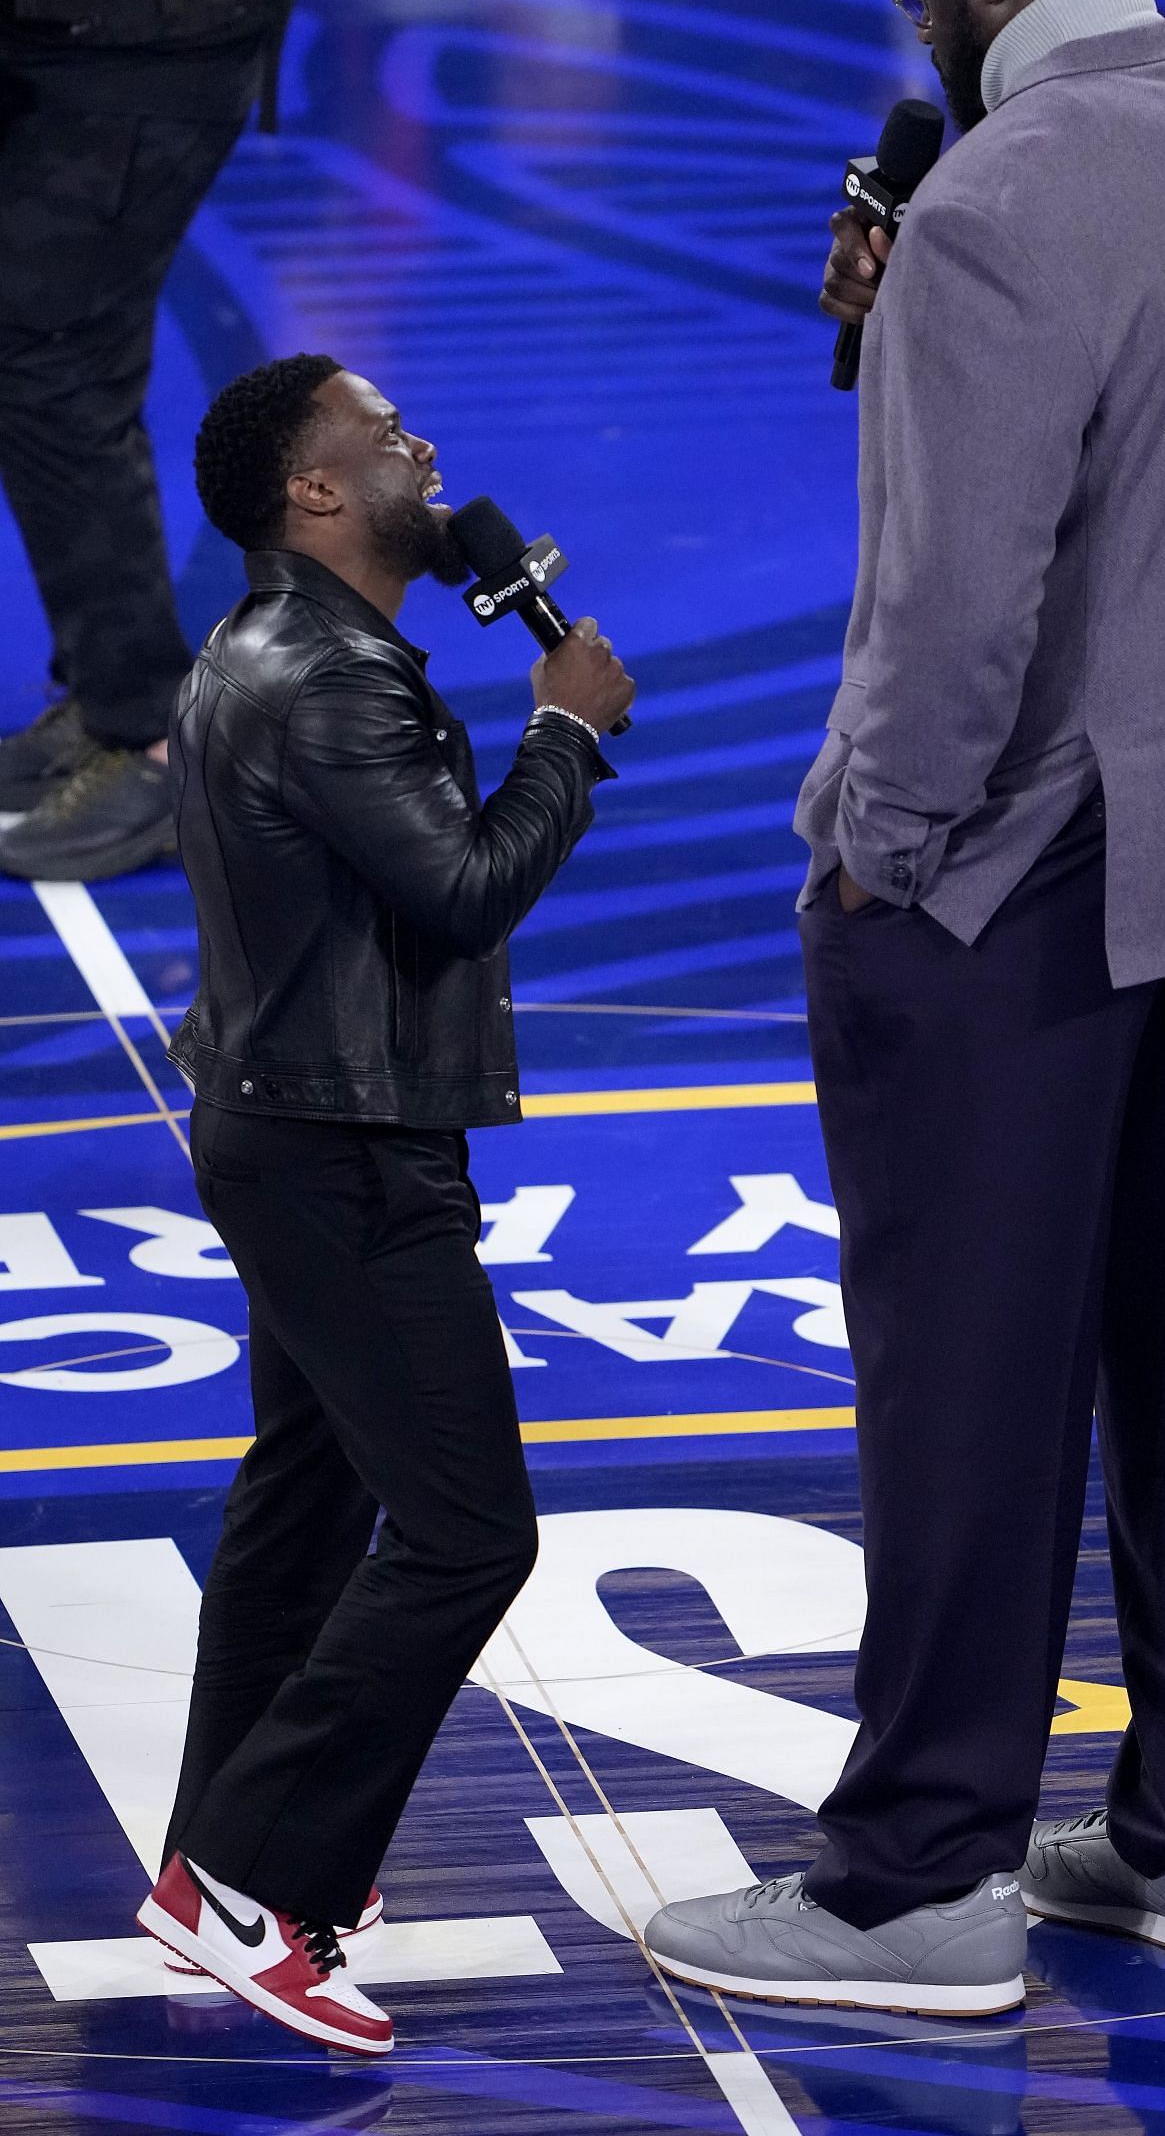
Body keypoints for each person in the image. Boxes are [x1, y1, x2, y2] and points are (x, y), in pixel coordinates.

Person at [641, 0, 1165, 2016]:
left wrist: (881, 836)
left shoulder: (995, 196)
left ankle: (919, 1881)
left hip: (1025, 871)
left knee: (968, 1380)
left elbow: (963, 605)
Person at [135, 353, 634, 2053]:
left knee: (301, 1506)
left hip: (292, 1123)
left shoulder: (289, 651)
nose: (425, 445)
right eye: (384, 433)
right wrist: (565, 727)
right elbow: (465, 889)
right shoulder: (331, 684)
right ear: (314, 494)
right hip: (346, 1151)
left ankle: (216, 1862)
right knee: (470, 1526)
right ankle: (254, 1875)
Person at [0, 0, 355, 884]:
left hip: (144, 72)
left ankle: (151, 738)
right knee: (46, 362)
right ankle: (108, 695)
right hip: (47, 28)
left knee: (51, 359)